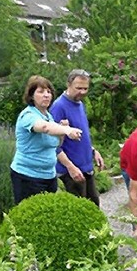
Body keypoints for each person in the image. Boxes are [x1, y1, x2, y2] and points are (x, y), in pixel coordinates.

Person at [11, 75, 83, 204]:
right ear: (31, 96)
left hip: (49, 176)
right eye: (41, 91)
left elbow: (55, 145)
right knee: (32, 217)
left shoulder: (48, 116)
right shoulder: (28, 115)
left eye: (49, 92)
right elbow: (44, 128)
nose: (46, 95)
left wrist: (62, 133)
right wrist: (67, 130)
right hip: (28, 177)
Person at [50, 69, 105, 206]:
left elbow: (83, 134)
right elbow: (53, 145)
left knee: (94, 206)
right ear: (68, 84)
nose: (82, 92)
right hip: (71, 171)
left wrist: (93, 151)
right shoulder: (59, 107)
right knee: (80, 210)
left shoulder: (80, 104)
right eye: (78, 88)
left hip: (85, 168)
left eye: (85, 88)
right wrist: (70, 167)